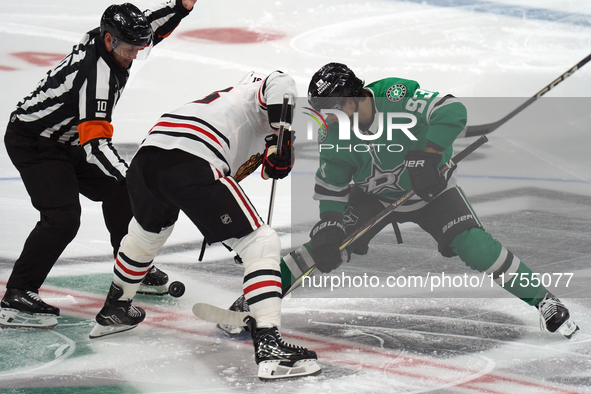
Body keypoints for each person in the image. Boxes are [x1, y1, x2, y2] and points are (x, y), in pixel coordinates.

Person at [221, 62, 580, 340]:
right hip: (372, 200)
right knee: (321, 246)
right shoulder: (335, 134)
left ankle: (545, 301)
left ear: (351, 99)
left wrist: (429, 153)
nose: (325, 118)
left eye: (330, 109)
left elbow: (452, 111)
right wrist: (330, 221)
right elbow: (332, 186)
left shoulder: (395, 96)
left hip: (431, 192)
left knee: (476, 247)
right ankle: (257, 301)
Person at [88, 70, 321, 380]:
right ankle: (269, 346)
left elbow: (254, 163)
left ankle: (114, 310)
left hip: (147, 159)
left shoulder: (226, 109)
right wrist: (285, 137)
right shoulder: (258, 93)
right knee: (260, 243)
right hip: (191, 159)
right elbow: (281, 83)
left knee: (146, 235)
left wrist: (277, 153)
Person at [0, 1, 198, 330]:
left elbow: (152, 26)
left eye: (139, 49)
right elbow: (96, 144)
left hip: (65, 138)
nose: (134, 56)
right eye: (129, 49)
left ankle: (132, 266)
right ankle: (17, 294)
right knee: (62, 218)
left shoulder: (111, 40)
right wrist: (135, 178)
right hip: (35, 142)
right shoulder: (96, 76)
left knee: (119, 191)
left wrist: (180, 6)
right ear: (109, 41)